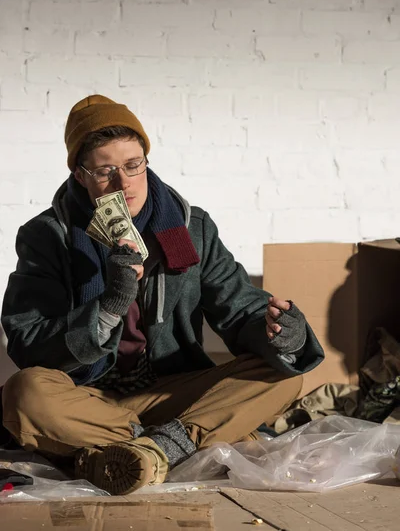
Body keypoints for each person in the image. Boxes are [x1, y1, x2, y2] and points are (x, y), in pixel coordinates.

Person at [1, 95, 324, 495]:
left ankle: (125, 450)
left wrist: (279, 331)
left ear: (146, 160)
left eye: (133, 165)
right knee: (24, 394)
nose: (124, 183)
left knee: (284, 373)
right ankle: (181, 442)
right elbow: (27, 341)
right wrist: (107, 309)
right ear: (81, 175)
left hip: (171, 390)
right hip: (87, 397)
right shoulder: (49, 235)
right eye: (106, 171)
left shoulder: (191, 227)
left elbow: (240, 309)